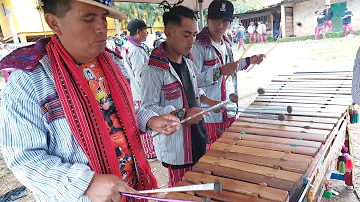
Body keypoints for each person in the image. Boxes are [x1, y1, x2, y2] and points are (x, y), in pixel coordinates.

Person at [0, 1, 181, 202]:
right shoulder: (29, 79)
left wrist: (149, 120)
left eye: (103, 18)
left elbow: (121, 113)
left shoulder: (113, 63)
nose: (101, 27)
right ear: (54, 23)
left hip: (132, 189)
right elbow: (24, 158)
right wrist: (85, 183)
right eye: (88, 19)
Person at [141, 3, 225, 188]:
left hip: (198, 136)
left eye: (194, 35)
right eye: (186, 35)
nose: (192, 41)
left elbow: (194, 91)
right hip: (178, 146)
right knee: (182, 190)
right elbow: (148, 110)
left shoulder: (186, 61)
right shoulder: (154, 70)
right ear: (169, 33)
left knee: (199, 186)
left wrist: (211, 101)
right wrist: (183, 114)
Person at [191, 0, 264, 148]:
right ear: (207, 19)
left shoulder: (226, 42)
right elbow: (193, 81)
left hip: (229, 108)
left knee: (231, 149)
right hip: (212, 114)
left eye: (225, 22)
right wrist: (219, 72)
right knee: (216, 154)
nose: (220, 26)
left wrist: (249, 61)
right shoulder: (198, 46)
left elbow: (231, 69)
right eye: (216, 21)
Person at [120, 18, 156, 160]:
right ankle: (149, 152)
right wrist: (150, 90)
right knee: (146, 120)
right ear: (139, 32)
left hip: (136, 90)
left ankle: (148, 151)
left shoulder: (129, 46)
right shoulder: (135, 50)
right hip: (141, 92)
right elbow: (141, 74)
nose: (147, 33)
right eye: (145, 31)